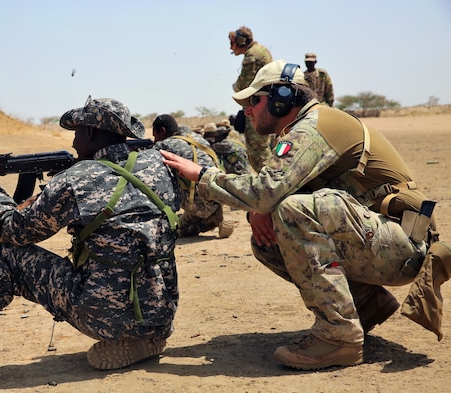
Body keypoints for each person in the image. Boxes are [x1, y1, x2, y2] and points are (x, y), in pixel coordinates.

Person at [160, 59, 442, 370]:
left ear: (283, 98)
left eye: (255, 100)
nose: (248, 110)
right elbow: (272, 193)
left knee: (292, 210)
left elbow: (268, 191)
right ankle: (365, 304)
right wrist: (258, 211)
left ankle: (339, 337)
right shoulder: (305, 126)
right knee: (266, 239)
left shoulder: (313, 126)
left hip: (406, 244)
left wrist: (202, 175)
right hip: (388, 239)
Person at [0, 97, 182, 381]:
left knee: (8, 257)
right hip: (161, 311)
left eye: (77, 133)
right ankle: (143, 337)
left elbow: (13, 230)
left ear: (91, 133)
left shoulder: (76, 179)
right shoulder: (160, 164)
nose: (73, 142)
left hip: (108, 315)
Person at [152, 114, 234, 239]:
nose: (154, 140)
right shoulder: (196, 138)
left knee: (173, 231)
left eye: (155, 136)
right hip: (218, 190)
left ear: (162, 131)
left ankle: (210, 218)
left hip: (199, 201)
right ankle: (217, 208)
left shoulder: (164, 146)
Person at [229, 25, 273, 172]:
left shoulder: (251, 56)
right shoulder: (262, 50)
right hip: (267, 106)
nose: (231, 47)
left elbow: (244, 85)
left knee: (257, 153)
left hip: (259, 107)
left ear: (241, 42)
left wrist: (235, 87)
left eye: (232, 43)